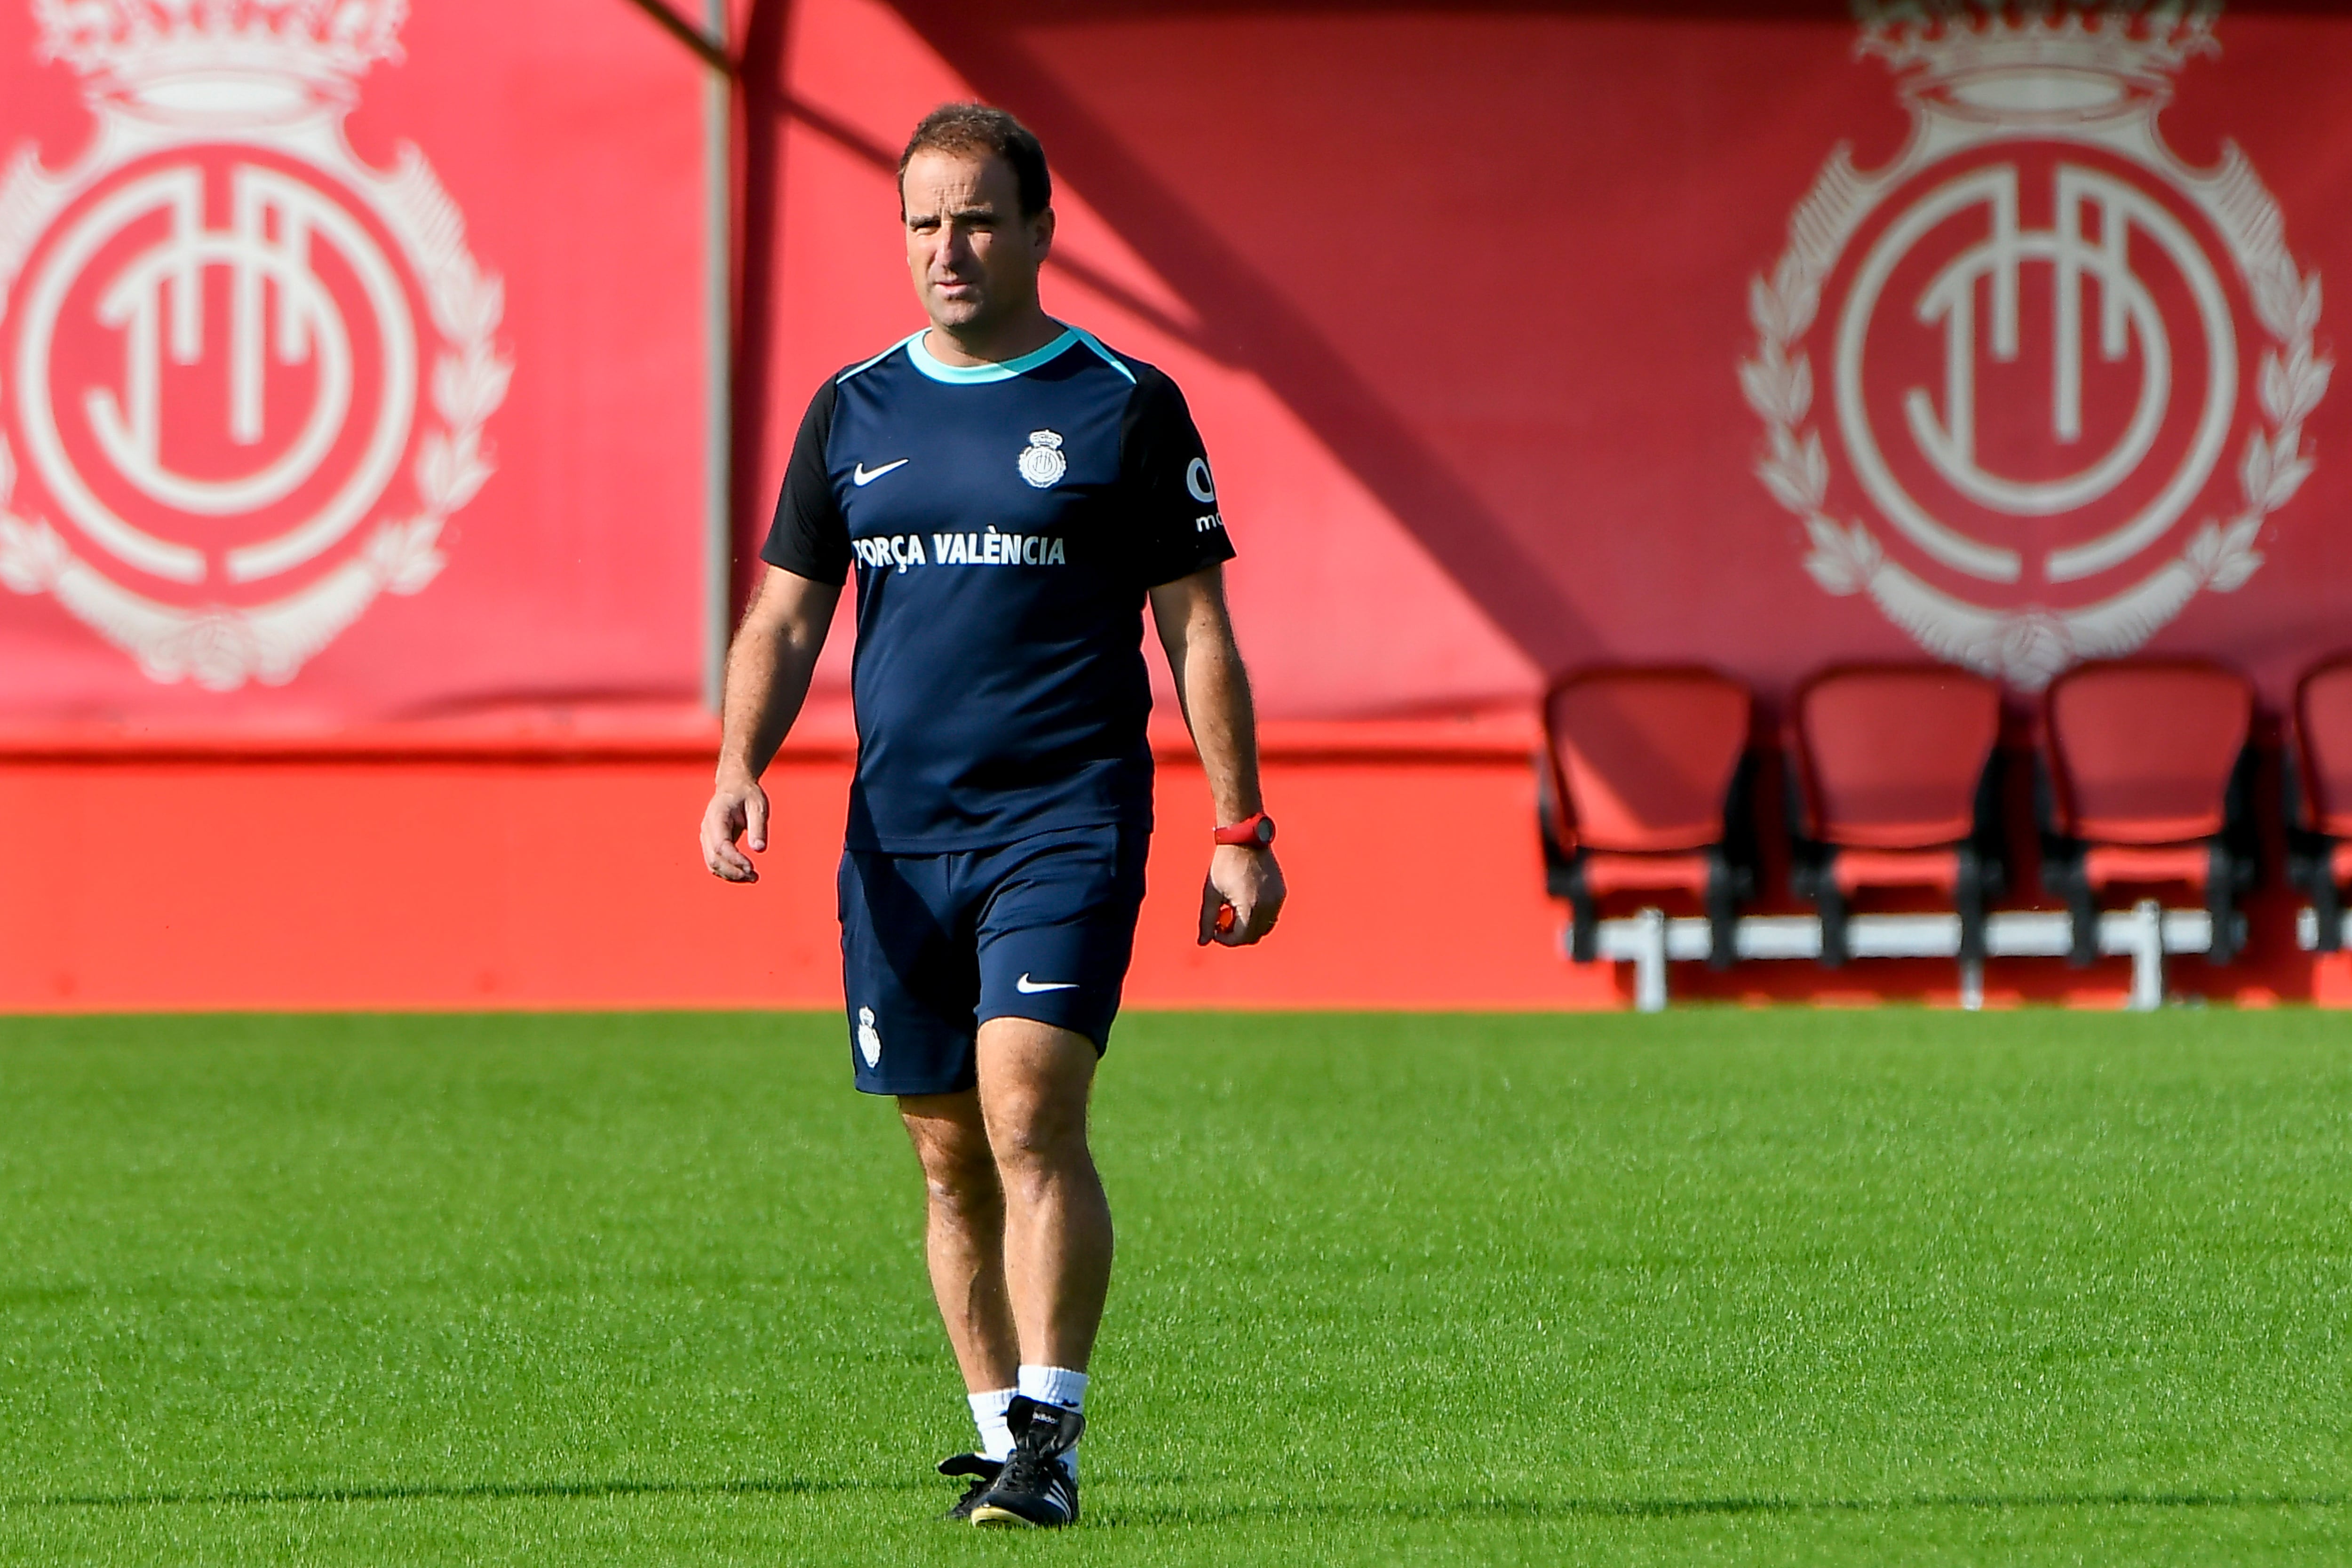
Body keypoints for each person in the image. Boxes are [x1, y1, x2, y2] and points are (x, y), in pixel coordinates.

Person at [698, 102, 1285, 1529]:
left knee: (1029, 1108)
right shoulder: (852, 410)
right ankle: (994, 1434)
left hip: (1066, 822)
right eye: (922, 223)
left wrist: (1241, 824)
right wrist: (736, 764)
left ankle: (1052, 1435)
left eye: (974, 220)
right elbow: (785, 613)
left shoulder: (1123, 403)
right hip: (899, 837)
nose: (946, 249)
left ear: (1037, 231)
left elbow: (1194, 627)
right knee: (946, 1148)